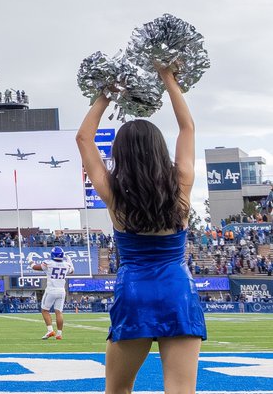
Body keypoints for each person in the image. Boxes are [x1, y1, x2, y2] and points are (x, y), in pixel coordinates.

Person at [76, 67, 205, 394]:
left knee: (117, 390)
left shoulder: (114, 194)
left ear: (120, 155)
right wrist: (168, 78)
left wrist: (107, 92)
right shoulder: (181, 186)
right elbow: (187, 127)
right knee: (181, 390)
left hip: (134, 292)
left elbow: (83, 138)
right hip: (178, 290)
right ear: (160, 150)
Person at [29, 247, 74, 339]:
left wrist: (30, 260)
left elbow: (34, 267)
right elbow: (72, 270)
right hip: (61, 290)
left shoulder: (48, 264)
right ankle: (59, 334)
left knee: (45, 310)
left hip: (51, 290)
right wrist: (69, 261)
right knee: (59, 312)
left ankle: (50, 330)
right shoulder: (66, 265)